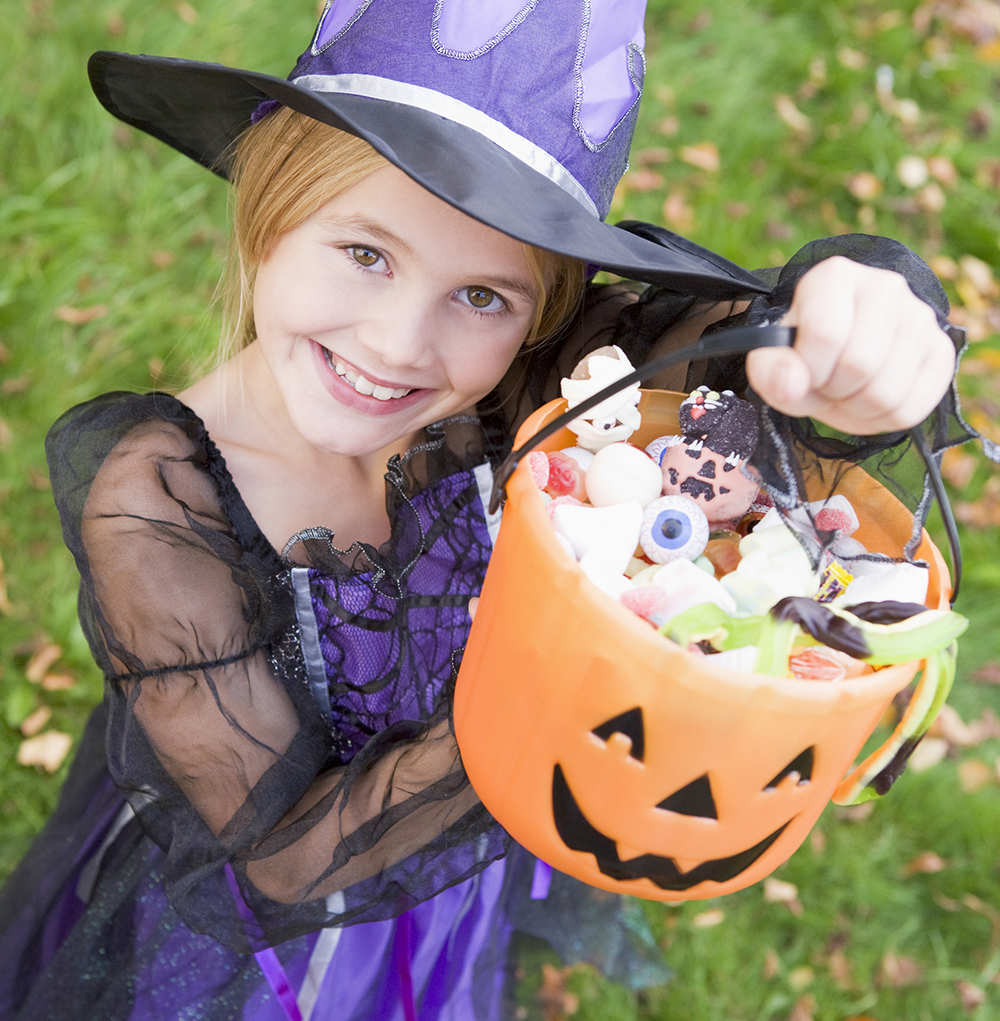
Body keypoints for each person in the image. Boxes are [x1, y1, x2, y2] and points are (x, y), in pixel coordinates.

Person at [0, 1, 966, 1019]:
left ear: (542, 312)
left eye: (483, 296)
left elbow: (741, 338)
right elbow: (282, 858)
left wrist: (858, 313)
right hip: (262, 940)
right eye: (366, 253)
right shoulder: (164, 495)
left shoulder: (517, 384)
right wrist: (546, 696)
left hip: (447, 876)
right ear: (267, 207)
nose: (399, 345)